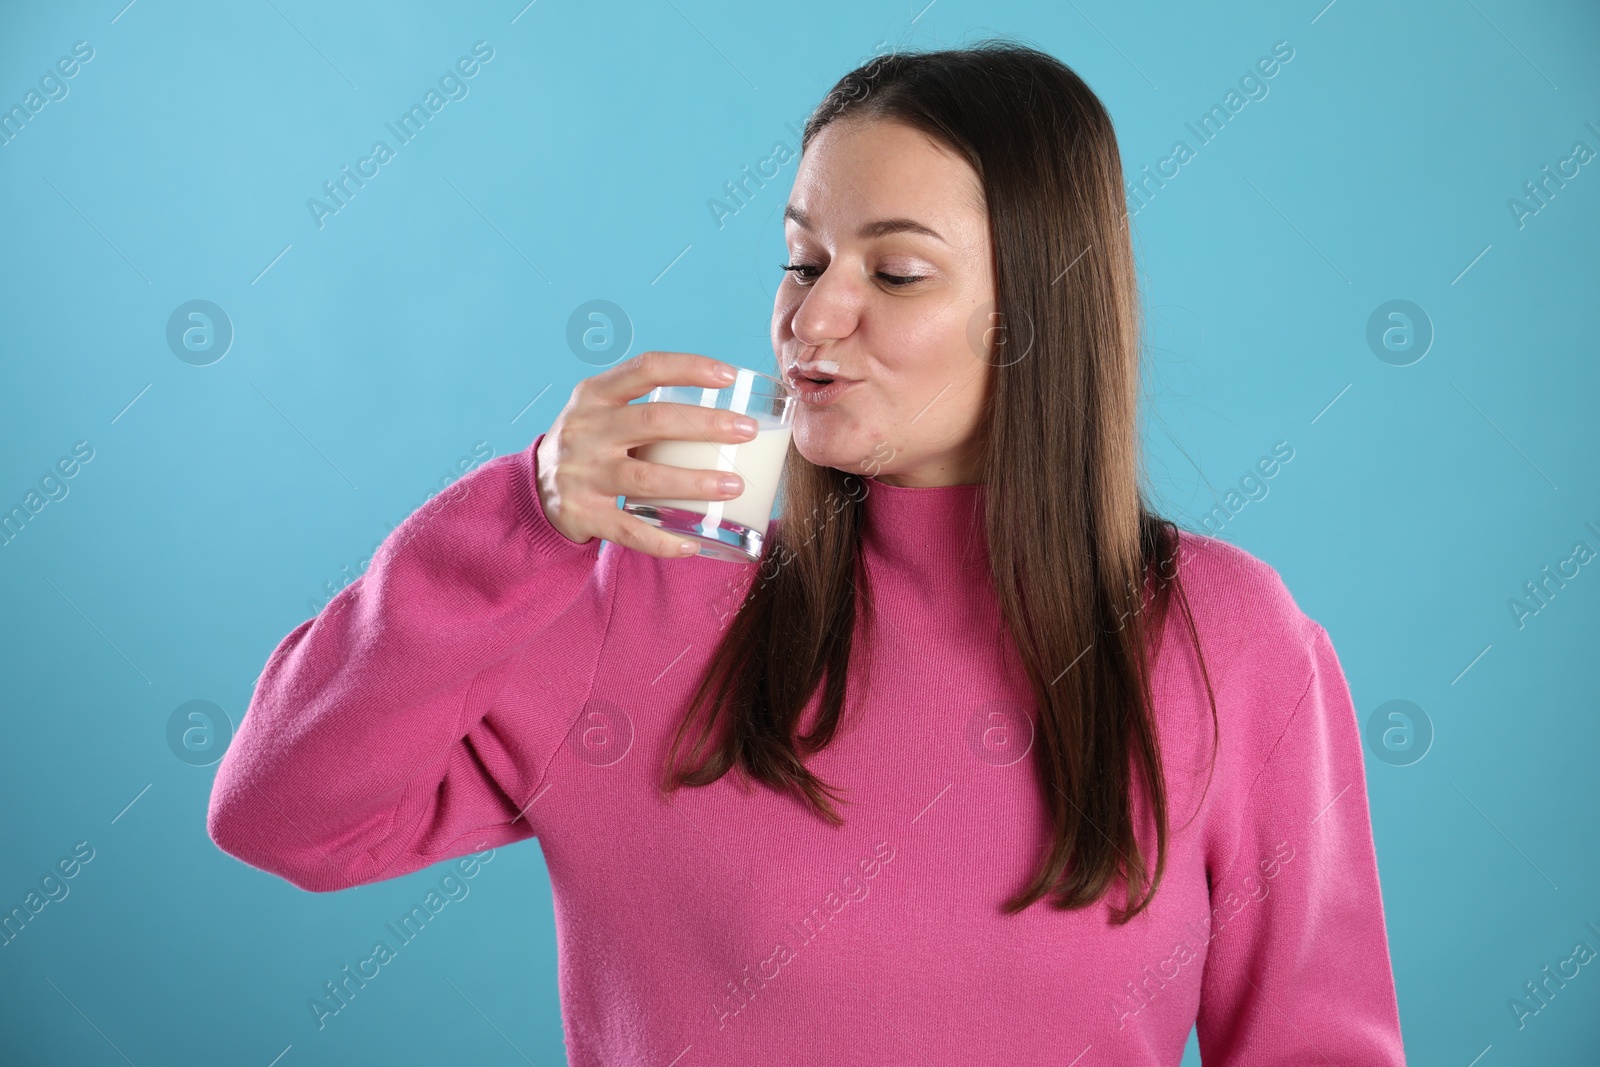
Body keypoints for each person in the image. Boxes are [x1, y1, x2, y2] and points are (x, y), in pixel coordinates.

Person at [208, 39, 1407, 1065]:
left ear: (1038, 309)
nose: (811, 316)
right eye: (801, 257)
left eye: (893, 271)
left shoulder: (1226, 637)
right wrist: (523, 515)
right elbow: (281, 812)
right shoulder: (645, 586)